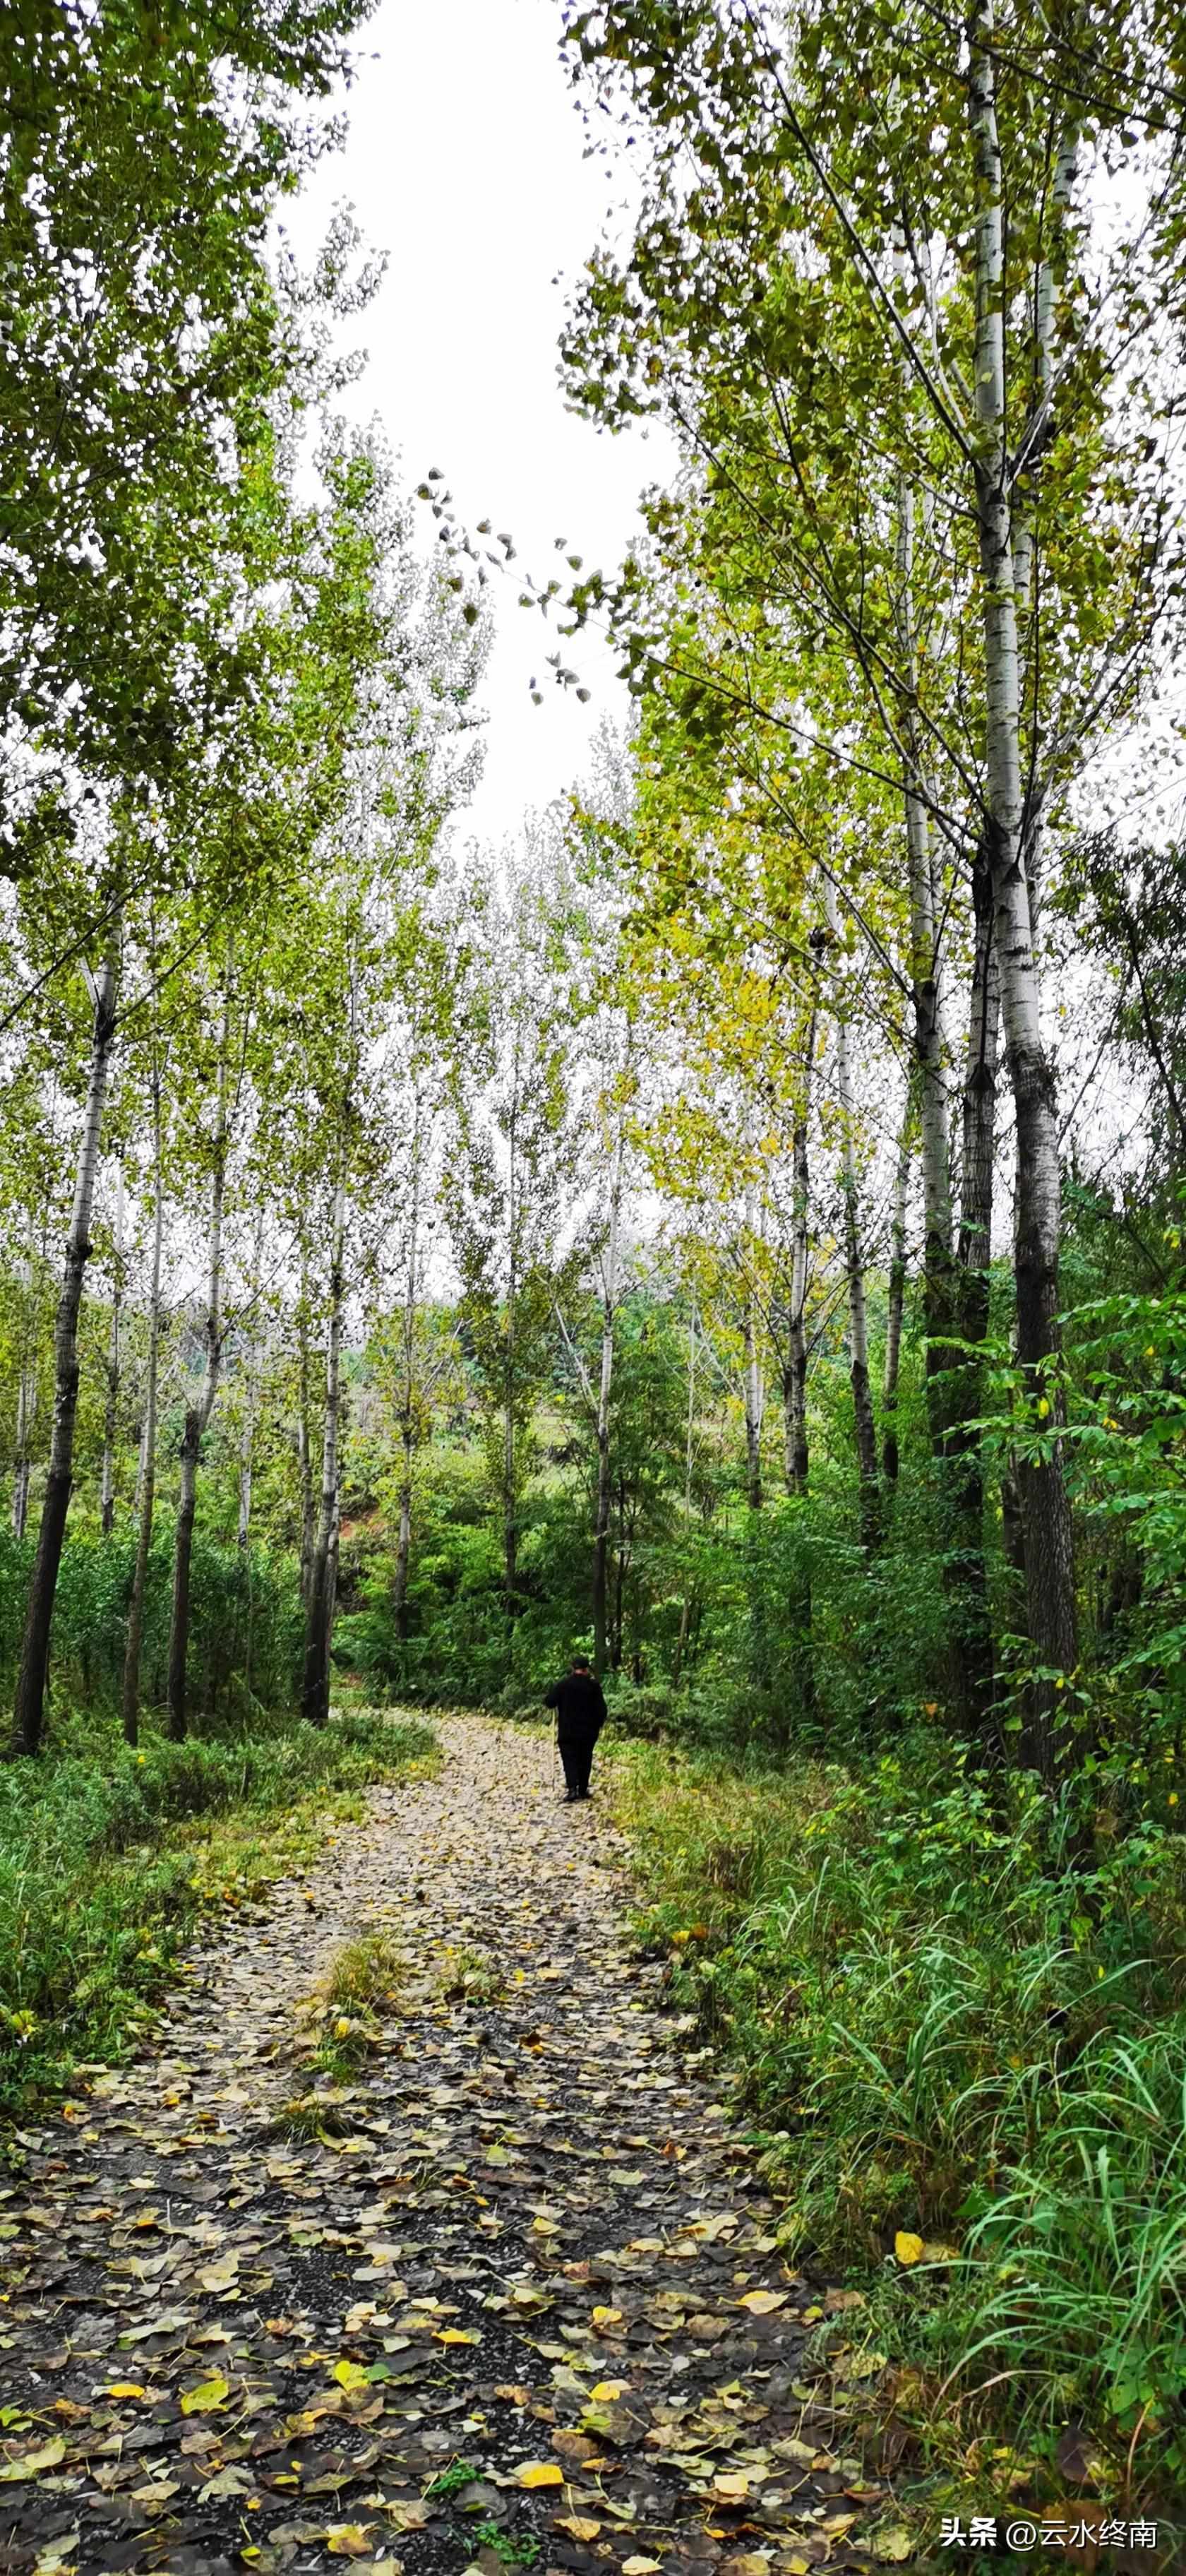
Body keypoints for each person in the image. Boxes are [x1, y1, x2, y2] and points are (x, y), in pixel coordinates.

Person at [544, 1655, 607, 1803]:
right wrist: (598, 1724)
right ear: (586, 1669)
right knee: (585, 1757)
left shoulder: (563, 1684)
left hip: (568, 1730)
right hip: (588, 1731)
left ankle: (572, 1789)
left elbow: (549, 1702)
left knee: (569, 1758)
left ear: (573, 1668)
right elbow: (602, 1710)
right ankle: (583, 1789)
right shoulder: (594, 1686)